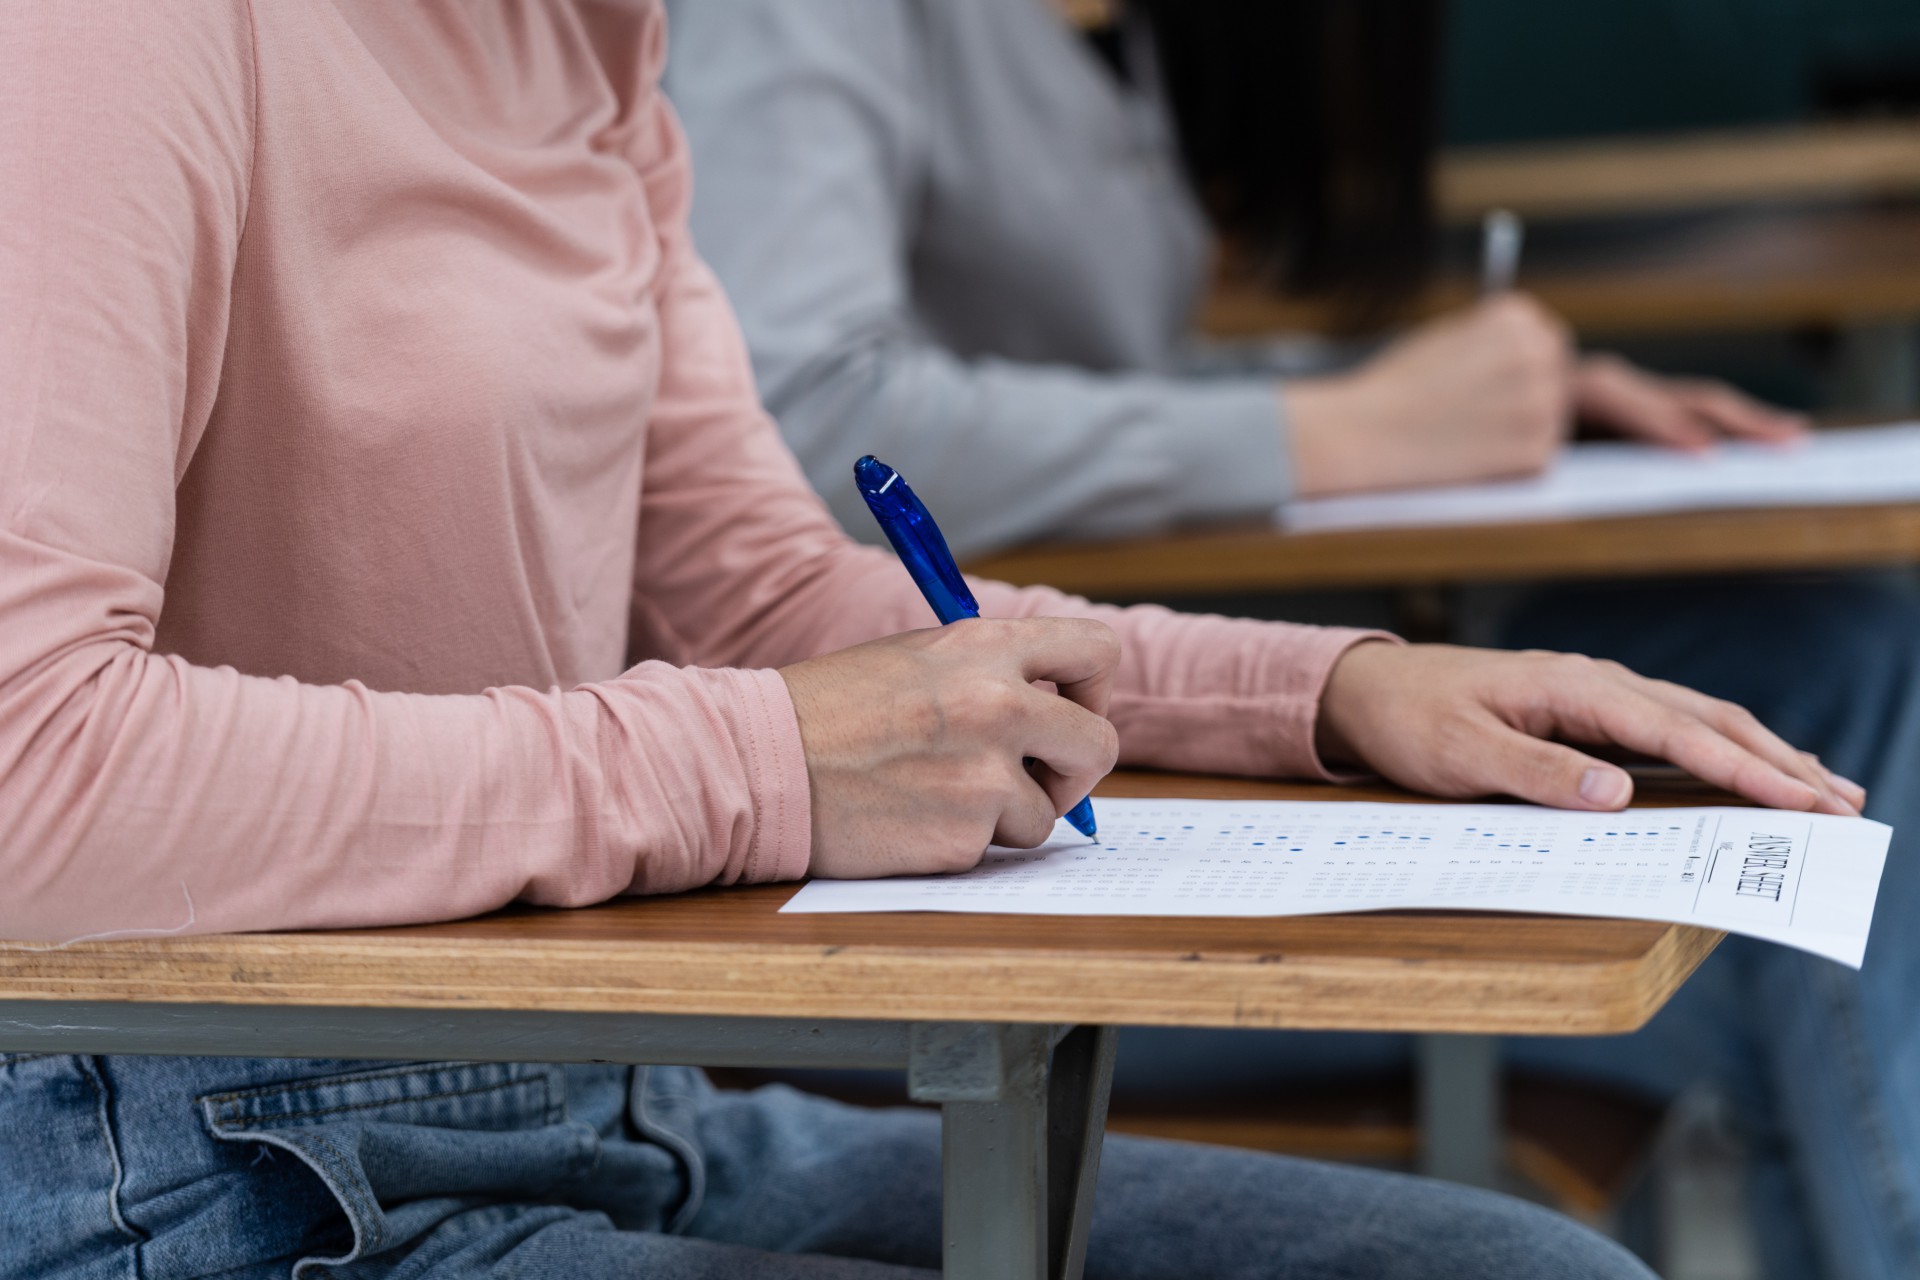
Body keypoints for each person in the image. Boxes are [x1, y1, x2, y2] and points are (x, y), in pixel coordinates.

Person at [0, 4, 1865, 1279]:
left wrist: (1321, 691)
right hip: (178, 1167)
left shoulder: (589, 41)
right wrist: (763, 763)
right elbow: (32, 771)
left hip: (592, 1091)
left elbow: (752, 586)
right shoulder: (112, 38)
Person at [661, 2, 1920, 1277]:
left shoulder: (1122, 35)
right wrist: (1334, 430)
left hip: (1103, 722)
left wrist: (1411, 400)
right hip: (928, 830)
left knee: (1833, 686)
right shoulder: (797, 21)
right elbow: (805, 423)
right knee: (1799, 961)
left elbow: (1107, 369)